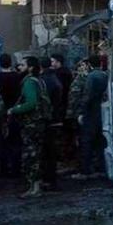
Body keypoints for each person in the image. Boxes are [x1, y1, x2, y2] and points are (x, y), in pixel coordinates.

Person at [9, 57, 50, 197]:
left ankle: (34, 187)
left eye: (22, 65)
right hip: (39, 122)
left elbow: (31, 103)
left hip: (31, 124)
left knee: (30, 156)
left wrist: (14, 110)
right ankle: (35, 186)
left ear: (30, 67)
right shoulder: (39, 80)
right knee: (36, 155)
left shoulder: (29, 83)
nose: (19, 67)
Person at [74, 55, 108, 179]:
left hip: (91, 113)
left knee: (86, 142)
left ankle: (85, 170)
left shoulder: (91, 77)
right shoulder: (105, 75)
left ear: (89, 65)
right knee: (100, 142)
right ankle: (101, 168)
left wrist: (82, 112)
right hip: (102, 112)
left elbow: (87, 96)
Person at [0, 54, 22, 177]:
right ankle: (16, 169)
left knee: (2, 141)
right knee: (15, 141)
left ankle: (3, 169)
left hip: (1, 112)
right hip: (15, 111)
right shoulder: (18, 77)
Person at [39, 58, 63, 191]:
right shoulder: (55, 78)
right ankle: (51, 177)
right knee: (52, 150)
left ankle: (47, 178)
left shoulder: (42, 80)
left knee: (45, 150)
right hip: (55, 117)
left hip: (46, 119)